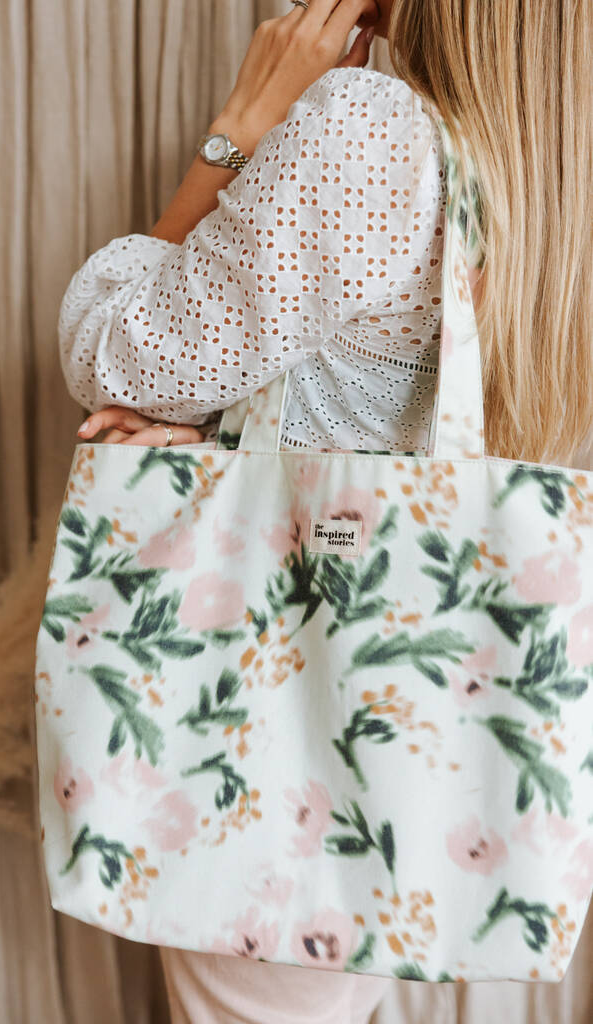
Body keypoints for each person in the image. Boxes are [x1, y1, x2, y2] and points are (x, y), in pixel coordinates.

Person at [56, 1, 592, 1020]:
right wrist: (223, 449)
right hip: (408, 749)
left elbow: (118, 355)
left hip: (289, 733)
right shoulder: (550, 155)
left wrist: (236, 133)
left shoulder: (369, 125)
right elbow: (382, 416)